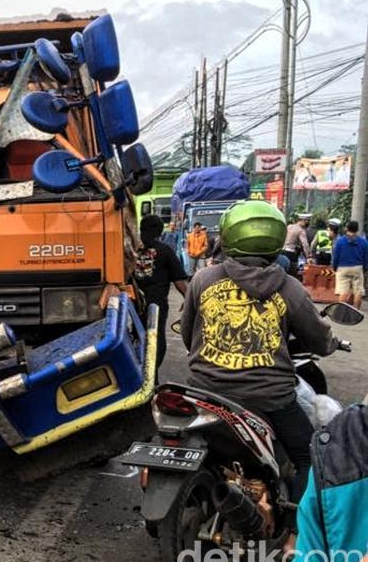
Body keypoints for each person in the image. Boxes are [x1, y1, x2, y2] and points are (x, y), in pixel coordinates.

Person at [181, 200, 340, 509]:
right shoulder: (290, 288)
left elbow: (189, 336)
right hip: (270, 397)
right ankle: (296, 534)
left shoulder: (202, 279)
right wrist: (331, 343)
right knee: (310, 456)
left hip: (204, 391)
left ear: (228, 236)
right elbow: (319, 341)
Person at [281, 404, 368, 562]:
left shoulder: (343, 445)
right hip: (266, 396)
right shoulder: (341, 452)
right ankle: (292, 532)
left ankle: (293, 535)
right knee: (304, 459)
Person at [134, 214, 189, 369]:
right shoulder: (165, 251)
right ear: (159, 231)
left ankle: (139, 371)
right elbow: (179, 281)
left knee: (137, 336)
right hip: (156, 305)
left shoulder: (129, 250)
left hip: (133, 305)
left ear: (141, 228)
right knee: (156, 339)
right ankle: (151, 376)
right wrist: (190, 300)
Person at [331, 220, 368, 310]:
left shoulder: (340, 241)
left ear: (347, 228)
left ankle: (340, 311)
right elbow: (366, 257)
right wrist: (365, 268)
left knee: (343, 291)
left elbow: (336, 256)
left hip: (343, 268)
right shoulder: (363, 242)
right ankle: (356, 310)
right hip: (357, 267)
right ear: (357, 229)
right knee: (358, 291)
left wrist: (335, 267)